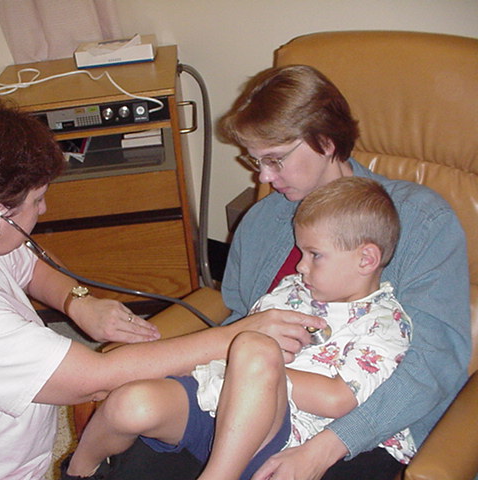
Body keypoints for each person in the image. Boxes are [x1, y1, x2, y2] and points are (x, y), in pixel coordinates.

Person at [0, 94, 313, 480]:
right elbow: (95, 377)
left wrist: (78, 302)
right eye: (37, 200)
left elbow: (26, 266)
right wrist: (240, 335)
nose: (43, 210)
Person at [108, 64, 471, 480]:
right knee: (139, 462)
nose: (263, 177)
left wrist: (324, 449)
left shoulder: (420, 220)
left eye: (275, 159)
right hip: (252, 405)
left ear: (325, 142)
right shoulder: (262, 221)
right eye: (256, 160)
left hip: (358, 428)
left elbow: (434, 365)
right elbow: (240, 316)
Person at [62, 177, 415, 480]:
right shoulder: (294, 288)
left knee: (253, 347)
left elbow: (337, 400)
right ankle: (79, 471)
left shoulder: (384, 322)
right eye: (300, 253)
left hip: (279, 434)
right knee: (129, 403)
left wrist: (254, 369)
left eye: (314, 255)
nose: (300, 266)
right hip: (216, 403)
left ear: (366, 259)